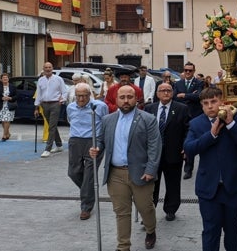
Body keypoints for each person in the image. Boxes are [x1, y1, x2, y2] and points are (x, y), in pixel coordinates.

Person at [89, 85, 161, 251]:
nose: (126, 100)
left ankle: (151, 230)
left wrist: (151, 170)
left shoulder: (148, 119)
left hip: (141, 173)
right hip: (115, 174)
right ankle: (123, 246)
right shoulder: (108, 120)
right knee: (122, 212)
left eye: (130, 97)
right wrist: (97, 148)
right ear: (116, 99)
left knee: (146, 208)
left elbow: (154, 147)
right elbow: (100, 140)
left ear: (136, 99)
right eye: (122, 97)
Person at [183, 87, 237, 251]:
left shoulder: (235, 117)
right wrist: (211, 135)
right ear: (201, 106)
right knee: (210, 230)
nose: (210, 106)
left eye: (213, 102)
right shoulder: (196, 123)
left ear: (221, 101)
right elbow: (189, 148)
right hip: (208, 188)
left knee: (233, 228)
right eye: (205, 103)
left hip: (233, 185)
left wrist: (230, 124)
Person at [144, 82, 190, 222]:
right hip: (153, 154)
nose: (165, 93)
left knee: (173, 183)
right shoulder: (149, 108)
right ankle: (148, 211)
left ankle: (171, 209)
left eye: (168, 90)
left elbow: (188, 129)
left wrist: (186, 146)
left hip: (173, 152)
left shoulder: (181, 108)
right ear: (157, 93)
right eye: (162, 90)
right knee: (151, 185)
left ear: (173, 92)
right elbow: (143, 130)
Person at [66, 83, 108, 220]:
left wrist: (101, 143)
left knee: (90, 174)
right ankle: (88, 192)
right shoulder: (70, 107)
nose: (81, 99)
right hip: (75, 141)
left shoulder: (99, 106)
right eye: (78, 96)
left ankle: (86, 207)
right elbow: (70, 121)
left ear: (90, 95)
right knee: (73, 172)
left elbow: (105, 123)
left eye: (84, 96)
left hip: (93, 141)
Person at [173, 61, 204, 179]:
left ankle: (194, 168)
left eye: (190, 70)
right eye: (186, 70)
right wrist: (191, 95)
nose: (187, 72)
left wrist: (185, 96)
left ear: (194, 71)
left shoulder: (199, 83)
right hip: (182, 116)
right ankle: (187, 167)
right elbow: (175, 97)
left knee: (195, 142)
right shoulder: (178, 83)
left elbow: (199, 96)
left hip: (195, 116)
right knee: (185, 142)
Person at [34, 62, 68, 158]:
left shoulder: (58, 79)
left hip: (55, 104)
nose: (48, 69)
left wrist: (62, 100)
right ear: (43, 69)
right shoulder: (40, 80)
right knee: (51, 125)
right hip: (44, 104)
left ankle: (47, 149)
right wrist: (36, 107)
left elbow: (64, 92)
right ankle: (59, 145)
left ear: (52, 68)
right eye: (46, 67)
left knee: (51, 126)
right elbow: (39, 94)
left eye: (49, 67)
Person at [0, 73, 17, 141]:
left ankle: (4, 135)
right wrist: (1, 98)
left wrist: (10, 98)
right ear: (1, 79)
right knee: (3, 120)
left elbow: (17, 96)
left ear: (8, 79)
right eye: (3, 78)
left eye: (6, 78)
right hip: (1, 105)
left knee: (7, 120)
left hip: (9, 105)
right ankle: (8, 133)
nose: (5, 79)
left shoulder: (12, 87)